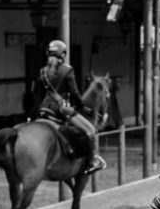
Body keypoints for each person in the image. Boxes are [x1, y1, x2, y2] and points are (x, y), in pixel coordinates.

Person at [31, 39, 106, 175]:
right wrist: (80, 106)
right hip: (61, 110)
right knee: (90, 131)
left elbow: (36, 93)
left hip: (43, 109)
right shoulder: (67, 70)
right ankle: (92, 161)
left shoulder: (42, 72)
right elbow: (75, 93)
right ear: (63, 55)